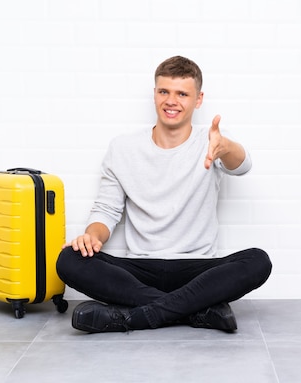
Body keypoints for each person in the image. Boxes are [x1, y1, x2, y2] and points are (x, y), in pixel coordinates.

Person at [56, 55, 272, 333]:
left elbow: (243, 166)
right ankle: (197, 311)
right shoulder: (123, 147)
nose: (172, 101)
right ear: (155, 94)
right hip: (140, 268)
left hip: (198, 269)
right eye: (164, 92)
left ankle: (131, 318)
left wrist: (226, 147)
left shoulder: (213, 141)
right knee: (69, 259)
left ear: (198, 99)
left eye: (182, 93)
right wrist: (91, 237)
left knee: (258, 260)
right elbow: (106, 211)